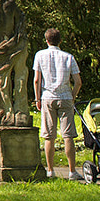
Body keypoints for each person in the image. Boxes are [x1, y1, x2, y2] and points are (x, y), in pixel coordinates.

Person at [32, 27, 83, 180]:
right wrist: (72, 97)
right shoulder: (69, 57)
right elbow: (78, 82)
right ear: (60, 41)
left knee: (49, 135)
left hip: (47, 97)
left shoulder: (40, 55)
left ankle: (50, 170)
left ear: (47, 41)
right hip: (65, 97)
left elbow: (36, 80)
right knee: (68, 135)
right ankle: (72, 171)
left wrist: (37, 99)